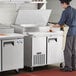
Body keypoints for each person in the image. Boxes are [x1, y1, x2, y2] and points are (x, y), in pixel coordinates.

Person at [53, 0, 76, 72]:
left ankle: (68, 67)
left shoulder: (65, 12)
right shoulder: (74, 10)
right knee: (74, 49)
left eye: (61, 4)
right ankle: (74, 66)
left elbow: (60, 23)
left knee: (67, 50)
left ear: (64, 3)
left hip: (69, 32)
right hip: (75, 31)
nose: (61, 5)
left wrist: (52, 26)